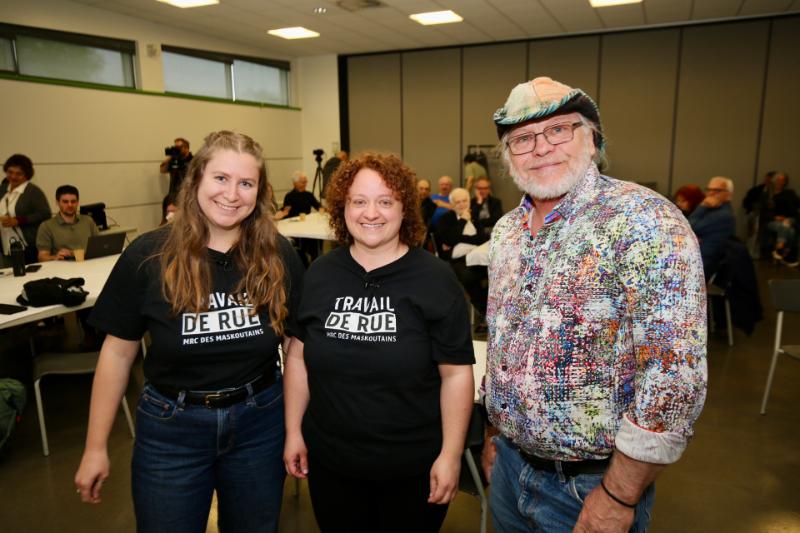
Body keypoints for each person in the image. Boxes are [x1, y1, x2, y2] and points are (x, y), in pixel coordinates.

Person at [482, 77, 707, 532]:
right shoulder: (506, 232)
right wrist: (493, 434)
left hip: (591, 488)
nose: (541, 147)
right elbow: (504, 340)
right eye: (522, 138)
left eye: (559, 129)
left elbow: (672, 379)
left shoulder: (643, 219)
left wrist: (619, 495)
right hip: (508, 469)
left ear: (592, 139)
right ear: (508, 156)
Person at [74, 131, 304, 533]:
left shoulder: (278, 255)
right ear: (195, 179)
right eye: (220, 178)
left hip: (260, 423)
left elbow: (297, 347)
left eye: (246, 183)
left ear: (260, 191)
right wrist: (95, 447)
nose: (232, 194)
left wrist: (296, 428)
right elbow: (117, 353)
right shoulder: (148, 255)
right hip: (171, 428)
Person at [283, 152, 475, 532]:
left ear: (405, 209)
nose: (371, 213)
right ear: (343, 208)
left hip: (412, 469)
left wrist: (451, 456)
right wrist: (293, 432)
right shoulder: (320, 273)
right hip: (332, 465)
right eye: (359, 201)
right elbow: (298, 358)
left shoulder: (435, 280)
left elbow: (456, 375)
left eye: (385, 201)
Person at [436, 187, 489, 328]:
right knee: (469, 276)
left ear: (469, 202)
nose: (462, 204)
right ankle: (485, 312)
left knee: (496, 272)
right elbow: (449, 238)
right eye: (457, 202)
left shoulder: (476, 218)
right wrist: (464, 221)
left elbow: (482, 239)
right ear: (452, 205)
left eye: (464, 200)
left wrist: (461, 240)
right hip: (455, 261)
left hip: (477, 259)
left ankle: (489, 309)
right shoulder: (445, 219)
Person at [1, 154, 51, 266]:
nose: (13, 176)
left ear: (27, 175)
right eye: (10, 172)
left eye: (18, 174)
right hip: (5, 245)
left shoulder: (33, 192)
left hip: (27, 246)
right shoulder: (3, 189)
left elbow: (45, 214)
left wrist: (19, 220)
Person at [688, 177, 737, 278]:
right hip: (697, 260)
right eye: (708, 190)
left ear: (728, 195)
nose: (710, 193)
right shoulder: (712, 210)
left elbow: (687, 228)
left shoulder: (722, 215)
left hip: (700, 266)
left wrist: (702, 206)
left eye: (717, 190)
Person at [36, 185, 99, 261]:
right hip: (64, 268)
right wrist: (55, 257)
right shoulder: (46, 226)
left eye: (73, 201)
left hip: (90, 264)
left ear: (78, 202)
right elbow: (42, 257)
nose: (70, 205)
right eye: (65, 202)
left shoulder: (88, 221)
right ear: (57, 202)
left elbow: (99, 246)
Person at [765, 172, 800, 266]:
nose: (780, 182)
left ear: (785, 182)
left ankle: (779, 248)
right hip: (773, 221)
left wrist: (786, 217)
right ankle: (786, 255)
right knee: (790, 230)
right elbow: (763, 211)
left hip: (791, 219)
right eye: (778, 180)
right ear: (774, 181)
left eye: (782, 180)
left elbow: (797, 205)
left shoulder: (789, 193)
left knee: (787, 222)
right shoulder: (767, 195)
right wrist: (774, 217)